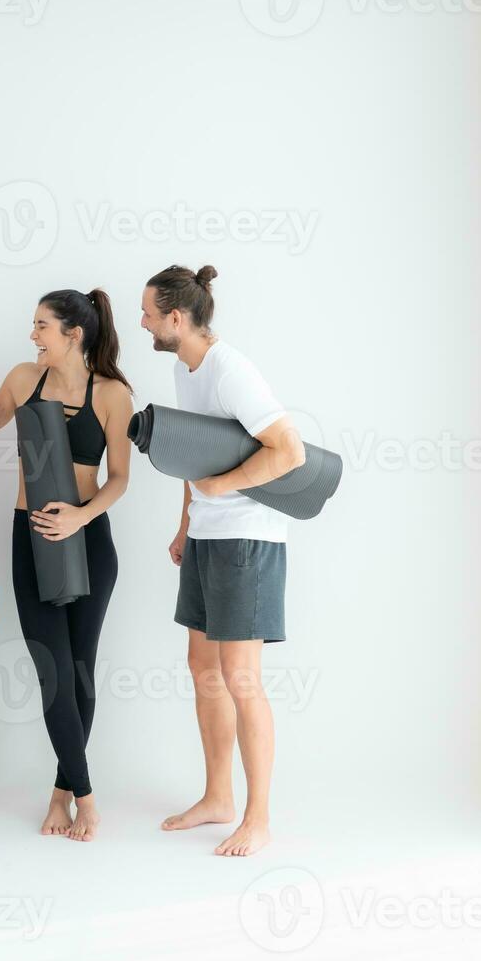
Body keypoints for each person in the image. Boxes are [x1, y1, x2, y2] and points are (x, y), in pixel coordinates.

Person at [139, 266, 305, 857]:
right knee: (202, 667)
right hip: (209, 537)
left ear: (176, 319)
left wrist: (224, 486)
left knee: (240, 677)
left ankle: (258, 818)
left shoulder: (231, 369)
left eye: (149, 315)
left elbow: (289, 450)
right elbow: (194, 456)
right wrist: (186, 524)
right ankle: (218, 797)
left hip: (249, 538)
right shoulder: (186, 369)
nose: (144, 323)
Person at [0, 289, 133, 841]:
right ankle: (86, 799)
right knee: (51, 671)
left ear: (74, 333)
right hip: (30, 537)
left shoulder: (111, 394)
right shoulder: (23, 379)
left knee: (80, 670)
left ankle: (62, 793)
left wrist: (80, 519)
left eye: (41, 325)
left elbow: (119, 479)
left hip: (88, 539)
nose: (32, 334)